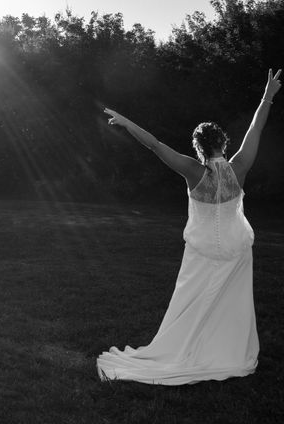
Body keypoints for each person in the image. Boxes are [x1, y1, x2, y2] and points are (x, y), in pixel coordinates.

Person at [96, 69, 282, 385]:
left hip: (204, 248)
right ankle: (227, 351)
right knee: (231, 302)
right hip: (237, 246)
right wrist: (267, 96)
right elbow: (256, 128)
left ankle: (189, 347)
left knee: (192, 301)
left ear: (199, 149)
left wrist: (127, 124)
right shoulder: (240, 167)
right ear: (223, 142)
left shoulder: (193, 172)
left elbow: (154, 145)